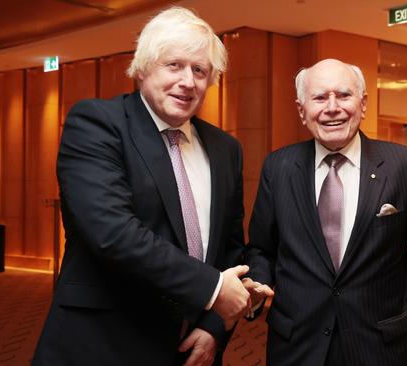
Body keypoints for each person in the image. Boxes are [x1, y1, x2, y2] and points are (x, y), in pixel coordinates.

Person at [33, 7, 251, 366]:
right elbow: (113, 233)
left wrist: (215, 324)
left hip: (191, 348)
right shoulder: (98, 123)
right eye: (174, 65)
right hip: (103, 344)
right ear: (143, 68)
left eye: (199, 70)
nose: (188, 81)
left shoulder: (226, 149)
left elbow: (230, 247)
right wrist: (213, 290)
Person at [244, 59, 407, 366]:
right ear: (301, 110)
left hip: (381, 347)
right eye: (319, 97)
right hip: (297, 345)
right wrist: (258, 283)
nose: (332, 107)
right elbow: (261, 248)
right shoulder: (278, 166)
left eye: (343, 95)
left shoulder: (402, 166)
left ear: (362, 104)